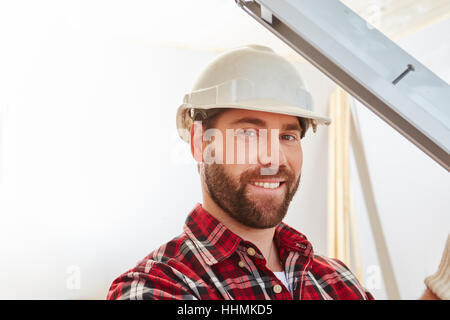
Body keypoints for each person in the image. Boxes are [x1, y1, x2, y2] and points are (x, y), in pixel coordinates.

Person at [107, 45, 449, 300]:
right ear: (200, 143)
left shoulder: (337, 280)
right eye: (248, 132)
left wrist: (443, 284)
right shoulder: (155, 287)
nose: (273, 158)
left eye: (287, 135)